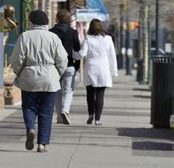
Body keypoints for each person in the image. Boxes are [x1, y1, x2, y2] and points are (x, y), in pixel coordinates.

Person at [10, 10, 68, 153]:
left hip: (29, 76)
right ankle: (42, 143)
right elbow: (62, 59)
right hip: (49, 77)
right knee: (46, 112)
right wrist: (57, 73)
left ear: (32, 22)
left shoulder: (25, 37)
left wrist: (19, 73)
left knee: (29, 106)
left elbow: (16, 59)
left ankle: (30, 128)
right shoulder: (53, 37)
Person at [73, 19, 118, 125]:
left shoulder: (88, 38)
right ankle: (98, 119)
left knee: (90, 93)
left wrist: (73, 55)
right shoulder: (108, 39)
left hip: (91, 68)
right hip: (103, 69)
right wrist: (114, 71)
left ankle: (91, 114)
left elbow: (82, 53)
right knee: (100, 95)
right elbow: (112, 56)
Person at [50, 9, 81, 125]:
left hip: (55, 66)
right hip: (69, 65)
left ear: (57, 18)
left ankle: (59, 117)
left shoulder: (51, 32)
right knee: (68, 91)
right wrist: (76, 66)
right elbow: (77, 51)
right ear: (68, 19)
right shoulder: (73, 33)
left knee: (57, 92)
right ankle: (65, 111)